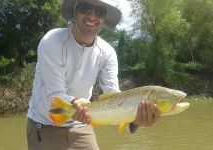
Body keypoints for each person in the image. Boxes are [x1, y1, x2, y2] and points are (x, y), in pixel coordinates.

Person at [27, 0, 160, 150]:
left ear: (104, 18)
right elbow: (55, 95)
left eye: (100, 12)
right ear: (75, 11)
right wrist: (76, 101)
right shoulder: (52, 41)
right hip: (45, 124)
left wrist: (135, 120)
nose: (92, 16)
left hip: (81, 123)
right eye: (86, 8)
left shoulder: (107, 52)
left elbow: (114, 97)